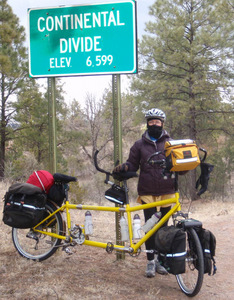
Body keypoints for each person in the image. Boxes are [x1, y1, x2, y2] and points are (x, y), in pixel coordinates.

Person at [113, 108, 177, 278]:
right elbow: (132, 164)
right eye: (151, 121)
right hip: (148, 191)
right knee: (149, 227)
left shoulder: (171, 143)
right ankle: (150, 261)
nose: (154, 124)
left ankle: (160, 261)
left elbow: (178, 165)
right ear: (147, 123)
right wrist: (124, 167)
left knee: (163, 228)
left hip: (167, 190)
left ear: (162, 123)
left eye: (157, 122)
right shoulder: (139, 145)